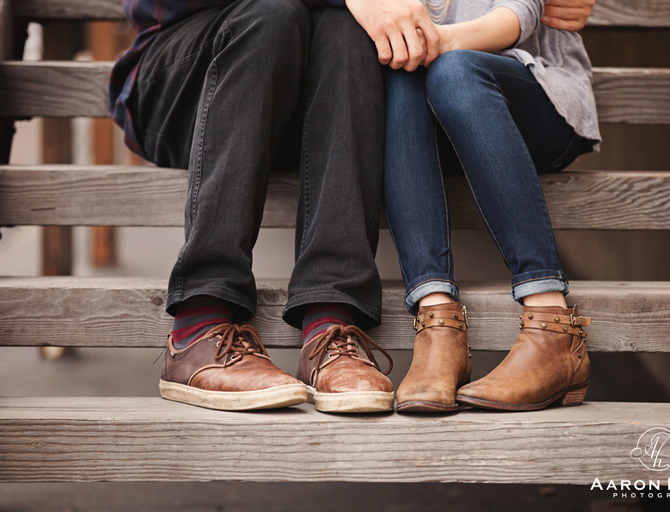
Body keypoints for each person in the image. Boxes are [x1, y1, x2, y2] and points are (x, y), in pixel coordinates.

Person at [109, 0, 595, 414]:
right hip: (196, 73)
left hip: (304, 87)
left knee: (350, 34)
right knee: (274, 15)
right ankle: (199, 322)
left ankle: (331, 325)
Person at [382, 0, 601, 413]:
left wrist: (437, 43)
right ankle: (437, 323)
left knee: (454, 69)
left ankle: (552, 325)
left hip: (532, 91)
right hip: (427, 113)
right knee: (400, 71)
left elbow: (521, 12)